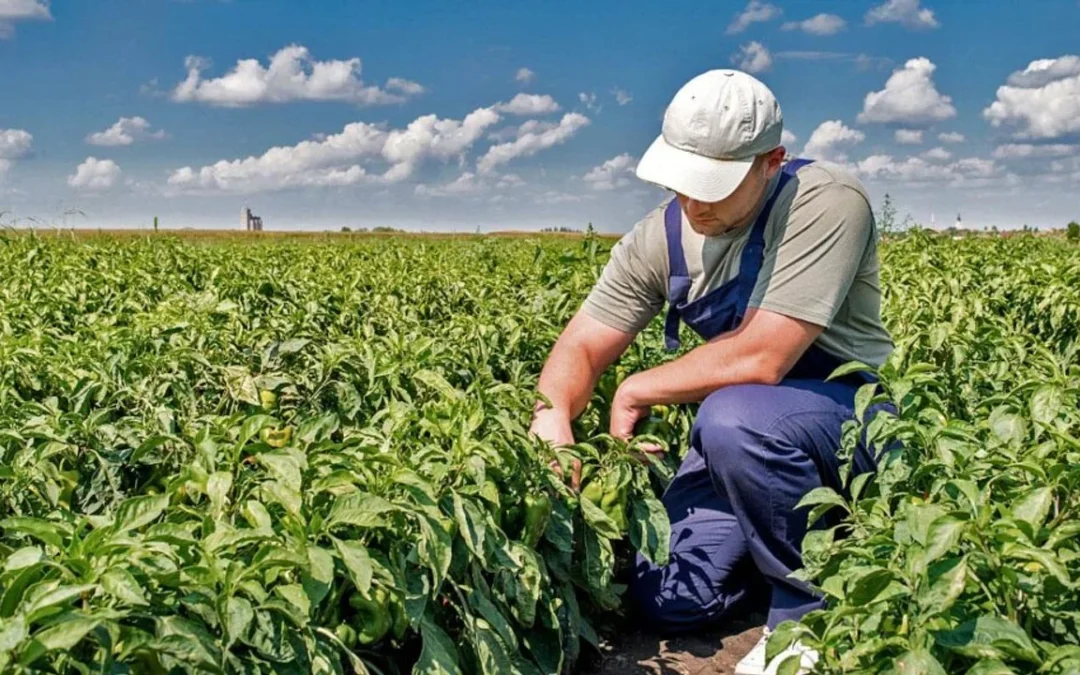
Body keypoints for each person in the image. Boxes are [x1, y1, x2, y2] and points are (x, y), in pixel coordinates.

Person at [528, 69, 894, 675]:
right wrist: (552, 421)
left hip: (848, 420)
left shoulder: (825, 201)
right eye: (683, 182)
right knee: (669, 597)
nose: (694, 202)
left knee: (732, 416)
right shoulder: (660, 240)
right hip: (745, 444)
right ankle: (804, 543)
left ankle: (810, 618)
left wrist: (638, 385)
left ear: (770, 161)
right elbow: (581, 349)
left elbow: (762, 355)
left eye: (715, 187)